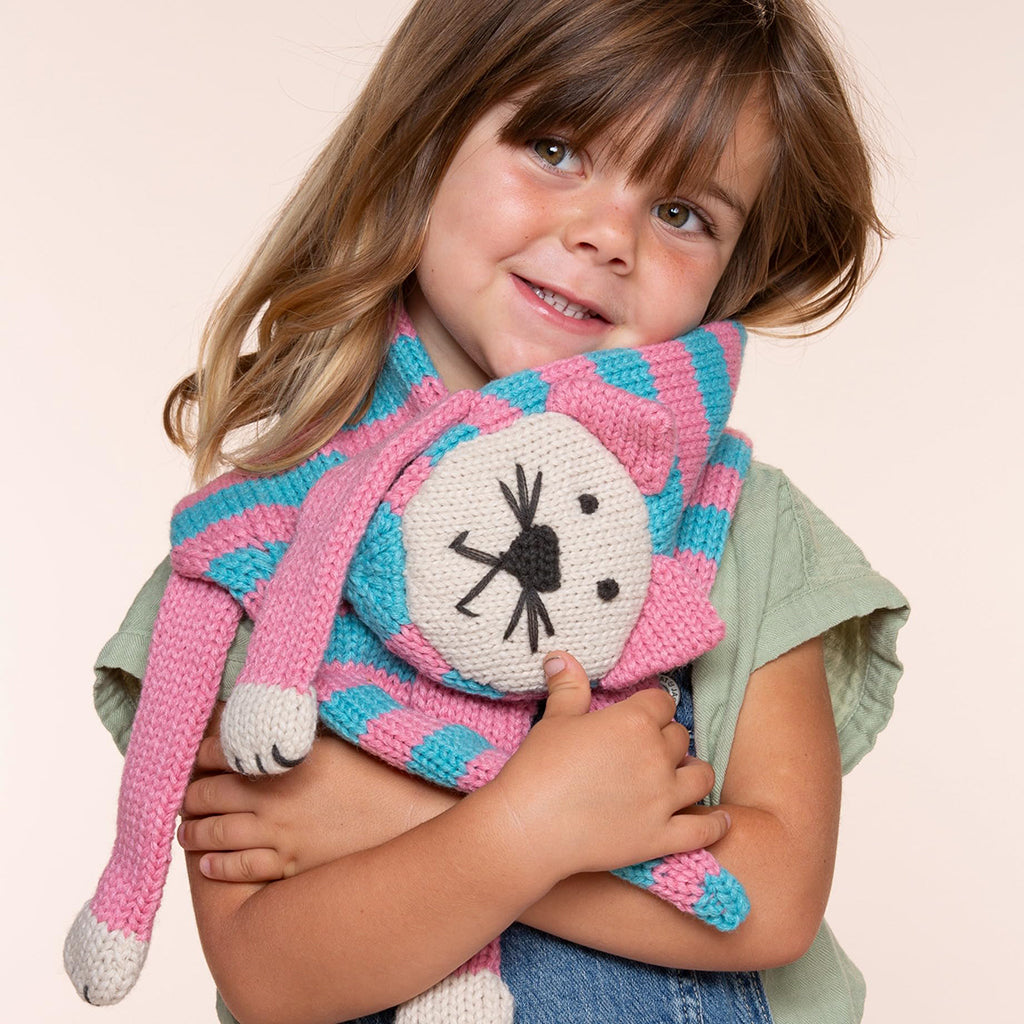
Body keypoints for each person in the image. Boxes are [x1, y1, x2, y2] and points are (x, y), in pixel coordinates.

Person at [88, 1, 908, 1022]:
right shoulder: (253, 547)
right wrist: (520, 827)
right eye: (555, 146)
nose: (607, 234)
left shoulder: (741, 524)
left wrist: (422, 817)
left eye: (682, 213)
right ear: (423, 140)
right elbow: (269, 976)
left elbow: (769, 902)